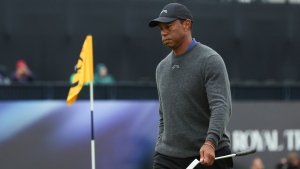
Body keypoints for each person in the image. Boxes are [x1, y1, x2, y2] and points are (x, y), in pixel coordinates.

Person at [149, 3, 233, 169]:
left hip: (208, 154)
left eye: (168, 26)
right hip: (168, 157)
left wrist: (210, 142)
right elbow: (163, 116)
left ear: (186, 24)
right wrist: (160, 147)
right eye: (161, 29)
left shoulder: (210, 60)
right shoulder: (161, 68)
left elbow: (221, 106)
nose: (164, 32)